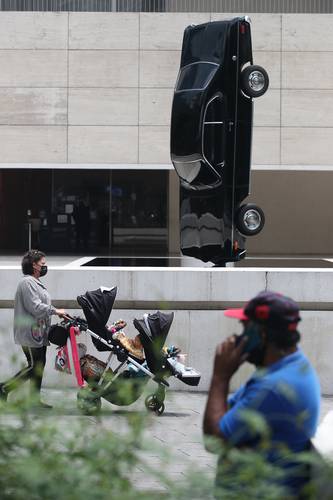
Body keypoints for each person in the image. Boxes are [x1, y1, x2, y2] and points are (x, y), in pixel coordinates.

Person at [203, 291, 321, 498]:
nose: (238, 338)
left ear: (263, 334)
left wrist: (220, 377)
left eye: (244, 329)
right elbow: (226, 413)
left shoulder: (274, 387)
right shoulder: (290, 366)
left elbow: (214, 439)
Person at [0, 250, 69, 408]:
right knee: (33, 366)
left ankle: (33, 400)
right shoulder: (27, 283)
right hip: (29, 332)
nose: (45, 267)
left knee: (39, 365)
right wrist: (55, 311)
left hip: (38, 333)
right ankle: (3, 388)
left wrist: (56, 312)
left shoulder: (34, 283)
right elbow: (35, 307)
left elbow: (41, 305)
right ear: (34, 265)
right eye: (43, 264)